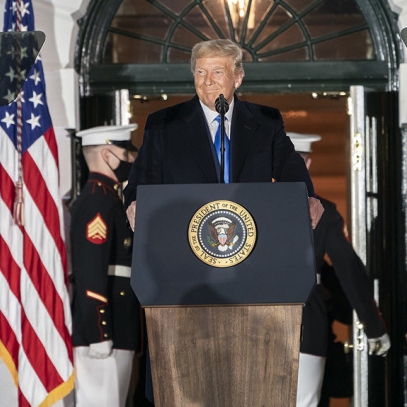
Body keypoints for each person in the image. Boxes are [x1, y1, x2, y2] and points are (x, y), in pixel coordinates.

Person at [123, 39, 323, 230]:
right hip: (184, 237)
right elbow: (140, 181)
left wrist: (306, 196)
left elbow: (290, 168)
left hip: (250, 238)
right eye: (201, 72)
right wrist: (135, 203)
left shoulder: (265, 121)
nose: (208, 81)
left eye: (217, 72)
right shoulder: (164, 124)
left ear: (238, 78)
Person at [287, 133, 389, 407]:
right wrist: (375, 327)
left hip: (256, 321)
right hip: (307, 321)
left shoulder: (252, 207)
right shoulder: (326, 213)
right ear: (308, 164)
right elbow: (350, 272)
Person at [70, 124, 142, 407]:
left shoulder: (111, 198)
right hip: (103, 327)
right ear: (108, 154)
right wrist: (100, 331)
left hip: (119, 321)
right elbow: (91, 270)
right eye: (126, 152)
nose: (132, 160)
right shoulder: (97, 202)